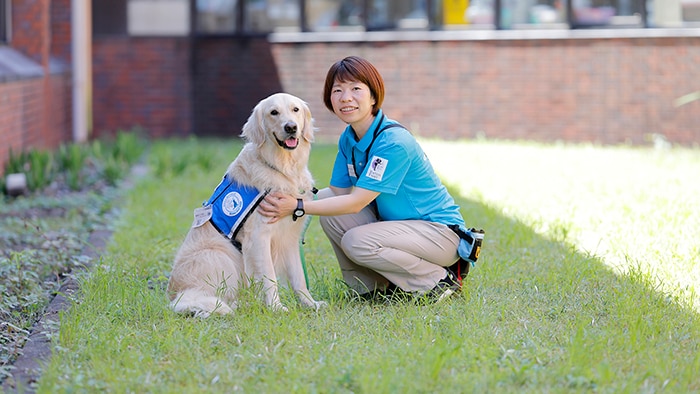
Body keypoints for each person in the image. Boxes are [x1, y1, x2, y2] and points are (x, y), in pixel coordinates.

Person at [258, 55, 470, 303]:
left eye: (356, 89)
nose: (346, 98)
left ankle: (437, 282)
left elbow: (356, 202)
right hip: (399, 230)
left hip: (440, 235)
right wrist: (292, 192)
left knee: (356, 240)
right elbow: (337, 192)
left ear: (373, 96)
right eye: (338, 90)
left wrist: (298, 206)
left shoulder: (393, 142)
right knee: (326, 200)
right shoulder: (349, 137)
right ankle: (368, 288)